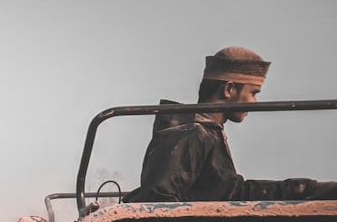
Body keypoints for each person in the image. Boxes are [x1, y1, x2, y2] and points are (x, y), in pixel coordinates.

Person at [125, 47, 337, 202]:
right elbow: (158, 201)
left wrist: (305, 189)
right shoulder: (191, 133)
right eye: (253, 93)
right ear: (228, 90)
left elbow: (230, 193)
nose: (255, 103)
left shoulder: (208, 133)